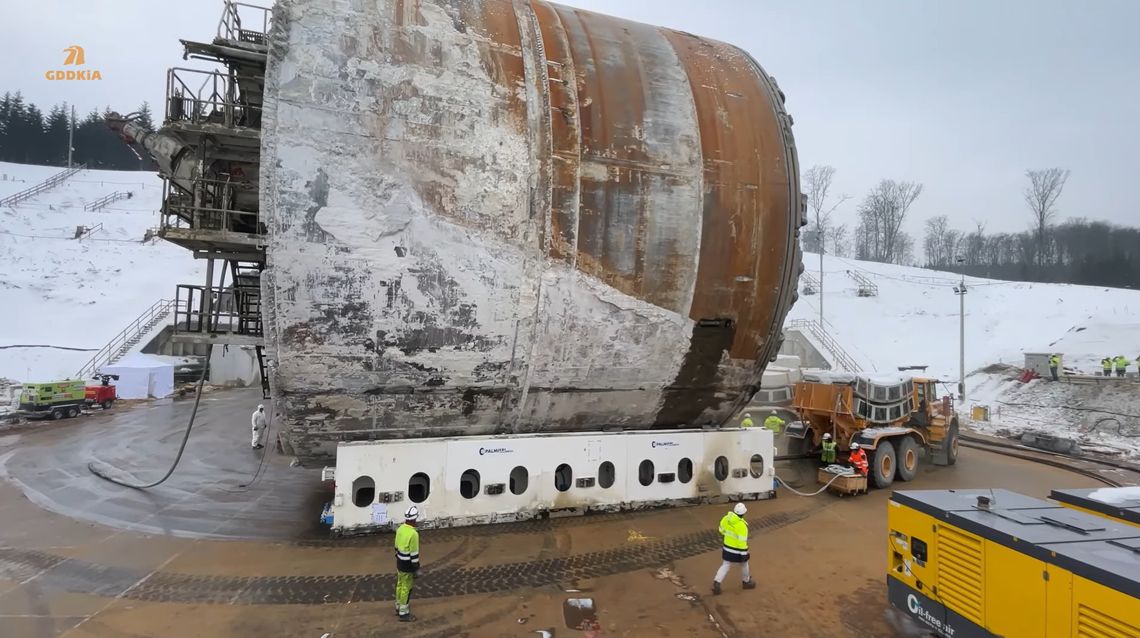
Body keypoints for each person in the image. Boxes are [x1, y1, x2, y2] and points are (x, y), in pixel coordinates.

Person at [712, 502, 756, 595]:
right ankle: (746, 582)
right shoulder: (742, 526)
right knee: (744, 564)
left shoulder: (726, 518)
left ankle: (717, 582)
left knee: (725, 565)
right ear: (743, 513)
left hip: (727, 548)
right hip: (737, 551)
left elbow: (721, 530)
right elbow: (742, 542)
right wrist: (744, 554)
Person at [395, 505, 421, 622]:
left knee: (400, 585)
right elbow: (414, 554)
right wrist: (416, 568)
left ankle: (398, 606)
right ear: (414, 519)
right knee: (407, 587)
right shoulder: (413, 534)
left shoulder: (400, 529)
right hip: (408, 565)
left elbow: (396, 547)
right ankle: (403, 613)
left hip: (399, 562)